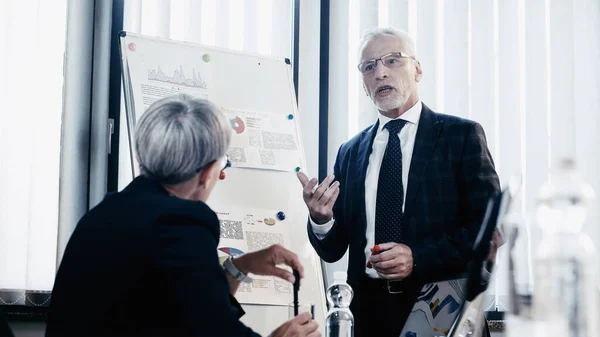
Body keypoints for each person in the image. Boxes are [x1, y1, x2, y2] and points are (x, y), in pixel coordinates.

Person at [46, 94, 320, 337]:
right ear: (208, 173)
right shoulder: (181, 222)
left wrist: (242, 265)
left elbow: (191, 308)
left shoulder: (104, 214)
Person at [297, 27, 500, 337]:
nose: (380, 73)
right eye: (369, 66)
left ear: (417, 69)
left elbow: (489, 230)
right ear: (364, 83)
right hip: (367, 312)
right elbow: (334, 248)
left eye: (393, 61)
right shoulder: (350, 152)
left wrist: (416, 257)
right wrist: (321, 219)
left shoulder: (460, 136)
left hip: (442, 305)